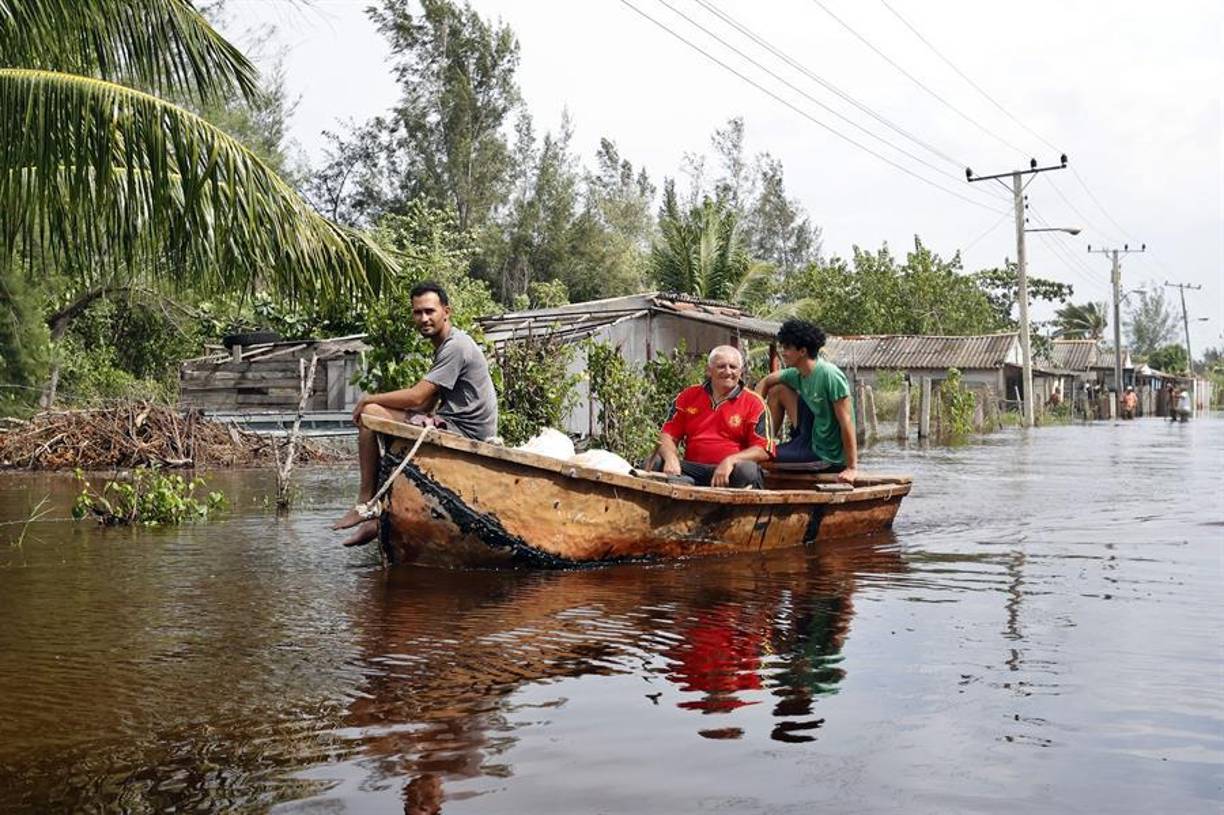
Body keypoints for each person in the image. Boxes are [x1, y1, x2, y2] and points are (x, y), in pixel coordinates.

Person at [333, 281, 498, 546]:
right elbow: (424, 406)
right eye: (418, 312)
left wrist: (368, 399)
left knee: (373, 413)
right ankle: (380, 517)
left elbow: (418, 396)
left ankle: (366, 503)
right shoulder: (446, 345)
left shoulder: (456, 346)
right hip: (451, 423)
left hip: (464, 432)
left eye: (430, 311)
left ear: (447, 311)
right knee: (381, 420)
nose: (424, 318)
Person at [754, 319, 858, 485]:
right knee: (778, 389)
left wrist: (852, 467)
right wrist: (751, 417)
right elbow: (766, 382)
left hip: (826, 456)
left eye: (787, 348)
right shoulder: (796, 373)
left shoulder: (829, 375)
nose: (783, 352)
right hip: (807, 439)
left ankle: (762, 451)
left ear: (802, 351)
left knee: (758, 459)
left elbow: (847, 422)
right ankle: (762, 442)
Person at [654, 345, 773, 489]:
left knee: (748, 470)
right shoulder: (688, 396)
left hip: (731, 472)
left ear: (740, 372)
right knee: (654, 462)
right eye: (721, 366)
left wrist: (730, 461)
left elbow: (763, 450)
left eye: (733, 367)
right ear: (709, 371)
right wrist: (670, 457)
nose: (728, 372)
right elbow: (667, 435)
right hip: (693, 470)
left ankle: (742, 511)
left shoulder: (755, 403)